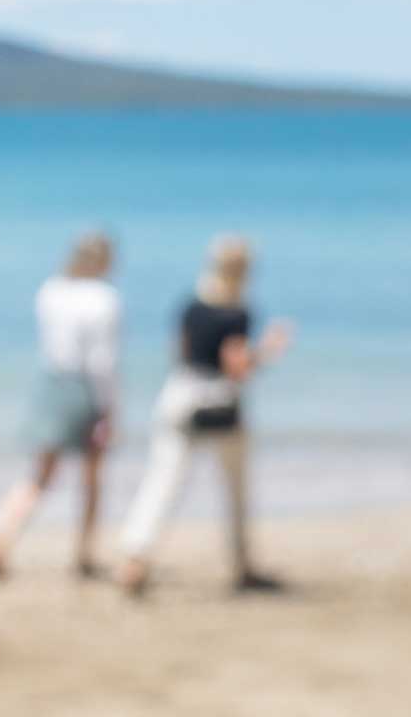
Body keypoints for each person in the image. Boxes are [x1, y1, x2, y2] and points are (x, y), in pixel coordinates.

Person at [113, 235, 295, 596]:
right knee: (236, 487)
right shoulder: (237, 312)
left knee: (163, 482)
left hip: (179, 394)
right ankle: (242, 565)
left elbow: (180, 351)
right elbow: (237, 367)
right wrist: (270, 350)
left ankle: (135, 558)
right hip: (220, 401)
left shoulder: (191, 305)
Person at [0, 230, 121, 578]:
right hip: (85, 387)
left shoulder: (51, 291)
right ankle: (84, 553)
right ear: (103, 261)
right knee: (92, 476)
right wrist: (109, 410)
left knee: (40, 474)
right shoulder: (104, 298)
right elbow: (104, 363)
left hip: (51, 383)